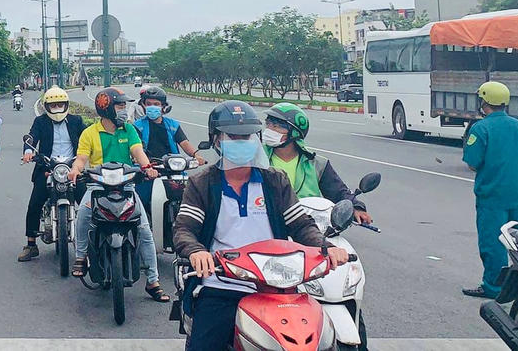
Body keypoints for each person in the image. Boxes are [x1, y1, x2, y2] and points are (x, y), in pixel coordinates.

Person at [173, 100, 349, 351]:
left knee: (316, 339)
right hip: (222, 284)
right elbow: (184, 229)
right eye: (233, 136)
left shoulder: (274, 181)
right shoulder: (202, 182)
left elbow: (300, 225)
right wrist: (197, 252)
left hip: (277, 285)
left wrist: (326, 247)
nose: (242, 141)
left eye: (248, 136)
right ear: (216, 140)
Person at [66, 87, 168, 301]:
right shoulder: (89, 133)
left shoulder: (129, 130)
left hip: (126, 185)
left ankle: (153, 281)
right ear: (106, 108)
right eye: (120, 106)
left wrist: (148, 167)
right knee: (83, 215)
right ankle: (81, 257)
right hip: (97, 185)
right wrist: (75, 169)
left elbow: (138, 152)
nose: (124, 110)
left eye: (124, 106)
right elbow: (82, 158)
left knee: (145, 230)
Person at [461, 81, 518, 299]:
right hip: (517, 195)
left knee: (493, 243)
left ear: (484, 102)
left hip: (492, 196)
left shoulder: (480, 129)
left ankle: (493, 287)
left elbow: (473, 163)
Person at [262, 102, 372, 225]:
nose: (269, 130)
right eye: (268, 124)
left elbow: (338, 191)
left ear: (294, 132)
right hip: (268, 226)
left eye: (276, 126)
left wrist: (356, 207)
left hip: (308, 227)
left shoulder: (317, 163)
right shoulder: (257, 159)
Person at [18, 86, 87, 261]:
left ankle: (93, 242)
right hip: (48, 166)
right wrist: (28, 150)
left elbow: (87, 138)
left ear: (66, 105)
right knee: (35, 203)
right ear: (46, 106)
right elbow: (32, 137)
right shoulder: (40, 122)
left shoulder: (77, 121)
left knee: (88, 203)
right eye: (53, 105)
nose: (57, 108)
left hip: (72, 168)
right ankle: (31, 244)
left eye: (60, 104)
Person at [133, 86, 205, 220]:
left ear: (163, 106)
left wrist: (196, 156)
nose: (152, 107)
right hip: (149, 172)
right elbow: (135, 149)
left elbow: (184, 143)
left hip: (173, 171)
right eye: (148, 104)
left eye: (156, 104)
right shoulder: (137, 126)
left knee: (190, 201)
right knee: (139, 203)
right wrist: (141, 162)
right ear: (143, 105)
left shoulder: (173, 125)